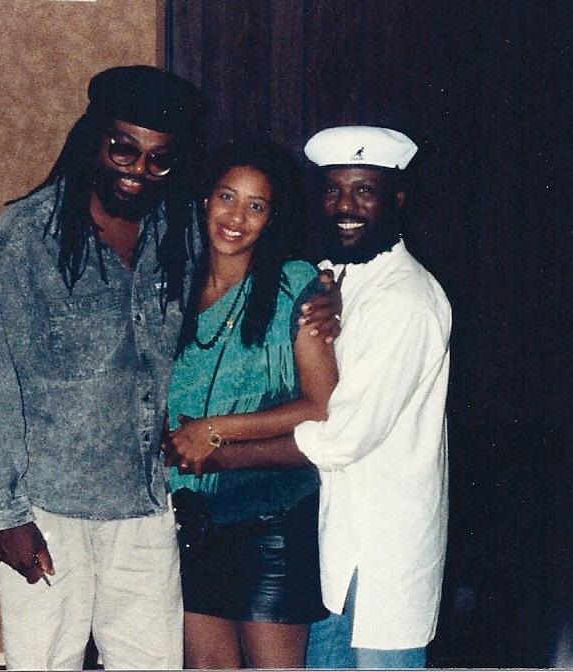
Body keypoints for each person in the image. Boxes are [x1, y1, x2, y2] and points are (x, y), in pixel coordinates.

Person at [0, 65, 340, 670]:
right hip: (50, 509)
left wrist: (324, 288)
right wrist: (7, 517)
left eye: (158, 159)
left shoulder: (179, 230)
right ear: (94, 139)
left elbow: (254, 256)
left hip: (147, 506)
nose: (138, 170)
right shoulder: (24, 239)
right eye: (124, 149)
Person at [174, 126, 452, 669]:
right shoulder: (337, 278)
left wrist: (215, 447)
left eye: (364, 191)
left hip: (379, 548)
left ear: (397, 198)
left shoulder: (407, 301)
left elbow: (340, 437)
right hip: (331, 541)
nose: (345, 206)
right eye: (333, 191)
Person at [163, 142, 338, 669]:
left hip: (272, 521)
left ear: (271, 218)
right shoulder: (170, 284)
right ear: (205, 200)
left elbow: (322, 406)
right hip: (189, 523)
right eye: (227, 197)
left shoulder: (294, 284)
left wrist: (215, 429)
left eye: (255, 206)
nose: (236, 217)